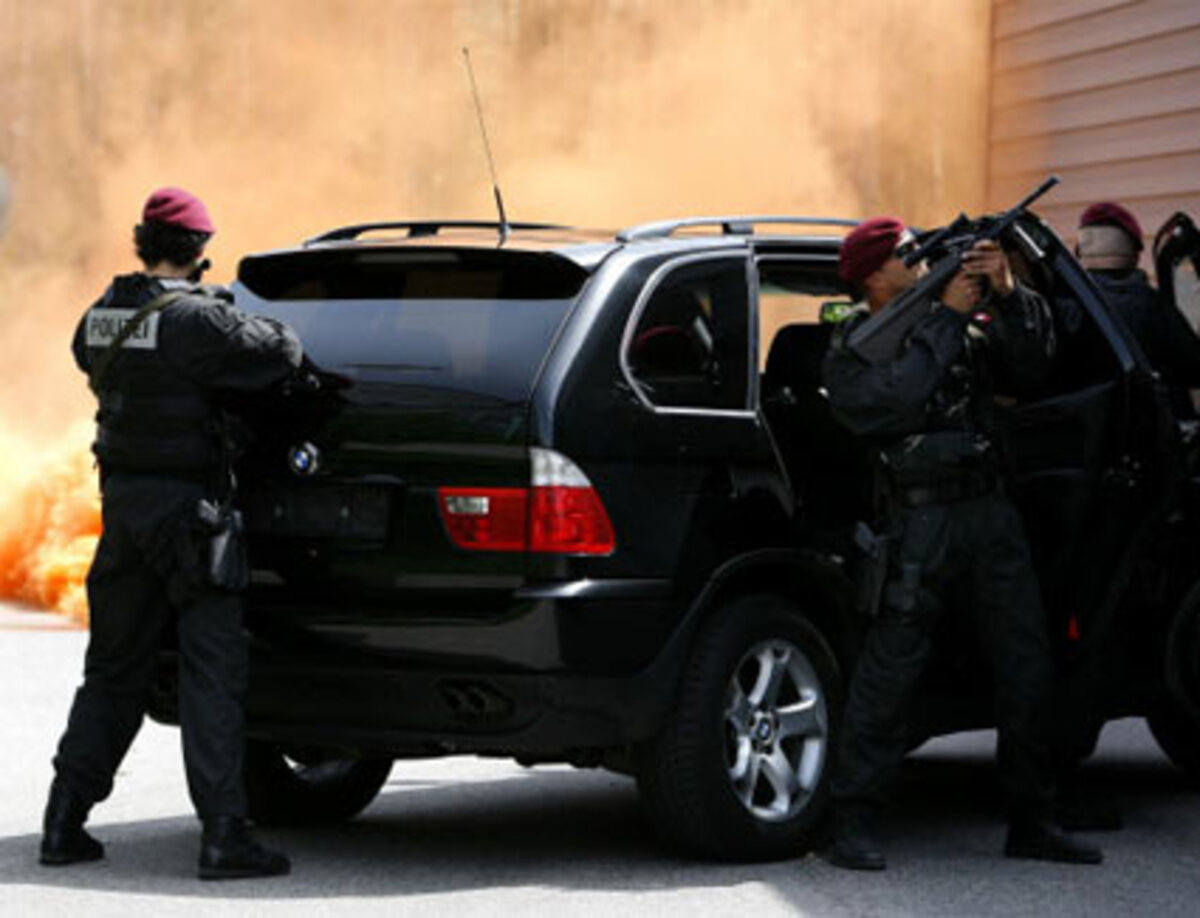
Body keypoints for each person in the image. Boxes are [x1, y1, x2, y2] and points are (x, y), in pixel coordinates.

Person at [821, 217, 1103, 871]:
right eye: (906, 254)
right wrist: (946, 317)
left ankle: (1033, 817)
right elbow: (894, 402)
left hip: (987, 509)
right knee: (891, 670)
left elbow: (1031, 370)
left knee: (1026, 662)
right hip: (919, 520)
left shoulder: (954, 325)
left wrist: (1009, 294)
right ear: (873, 276)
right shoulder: (853, 350)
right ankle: (852, 821)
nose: (920, 260)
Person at [40, 187, 303, 880]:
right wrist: (223, 308)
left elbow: (86, 356)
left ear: (141, 241)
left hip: (124, 512)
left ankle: (63, 820)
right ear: (199, 251)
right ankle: (224, 838)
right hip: (191, 517)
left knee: (113, 670)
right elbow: (283, 352)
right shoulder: (199, 322)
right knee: (212, 673)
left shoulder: (103, 315)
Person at [1074, 201, 1200, 392]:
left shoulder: (1064, 303)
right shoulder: (1152, 304)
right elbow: (1193, 368)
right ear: (1134, 250)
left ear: (1080, 251)